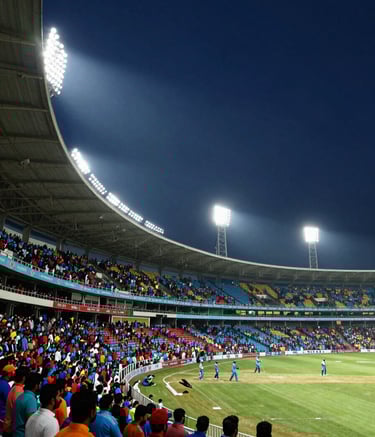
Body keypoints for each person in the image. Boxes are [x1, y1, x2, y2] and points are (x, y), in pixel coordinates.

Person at [3, 366, 28, 437]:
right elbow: (19, 414)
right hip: (11, 431)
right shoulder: (19, 391)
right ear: (24, 378)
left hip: (9, 428)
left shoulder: (15, 388)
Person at [14, 372, 42, 437]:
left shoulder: (21, 396)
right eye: (40, 384)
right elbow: (31, 423)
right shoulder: (30, 399)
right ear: (36, 385)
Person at [0, 364, 14, 434]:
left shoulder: (2, 382)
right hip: (2, 415)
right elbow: (8, 401)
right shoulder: (5, 385)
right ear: (9, 374)